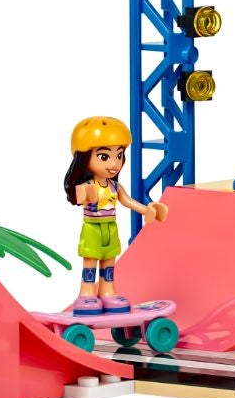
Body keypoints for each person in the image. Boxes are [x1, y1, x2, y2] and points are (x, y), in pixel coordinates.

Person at [62, 116, 166, 315]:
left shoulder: (115, 186)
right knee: (90, 261)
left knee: (109, 261)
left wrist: (147, 210)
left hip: (111, 227)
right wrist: (86, 194)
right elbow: (79, 197)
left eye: (119, 155)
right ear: (84, 157)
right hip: (92, 228)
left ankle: (107, 291)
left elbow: (127, 201)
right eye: (104, 156)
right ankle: (86, 293)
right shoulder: (87, 186)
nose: (115, 163)